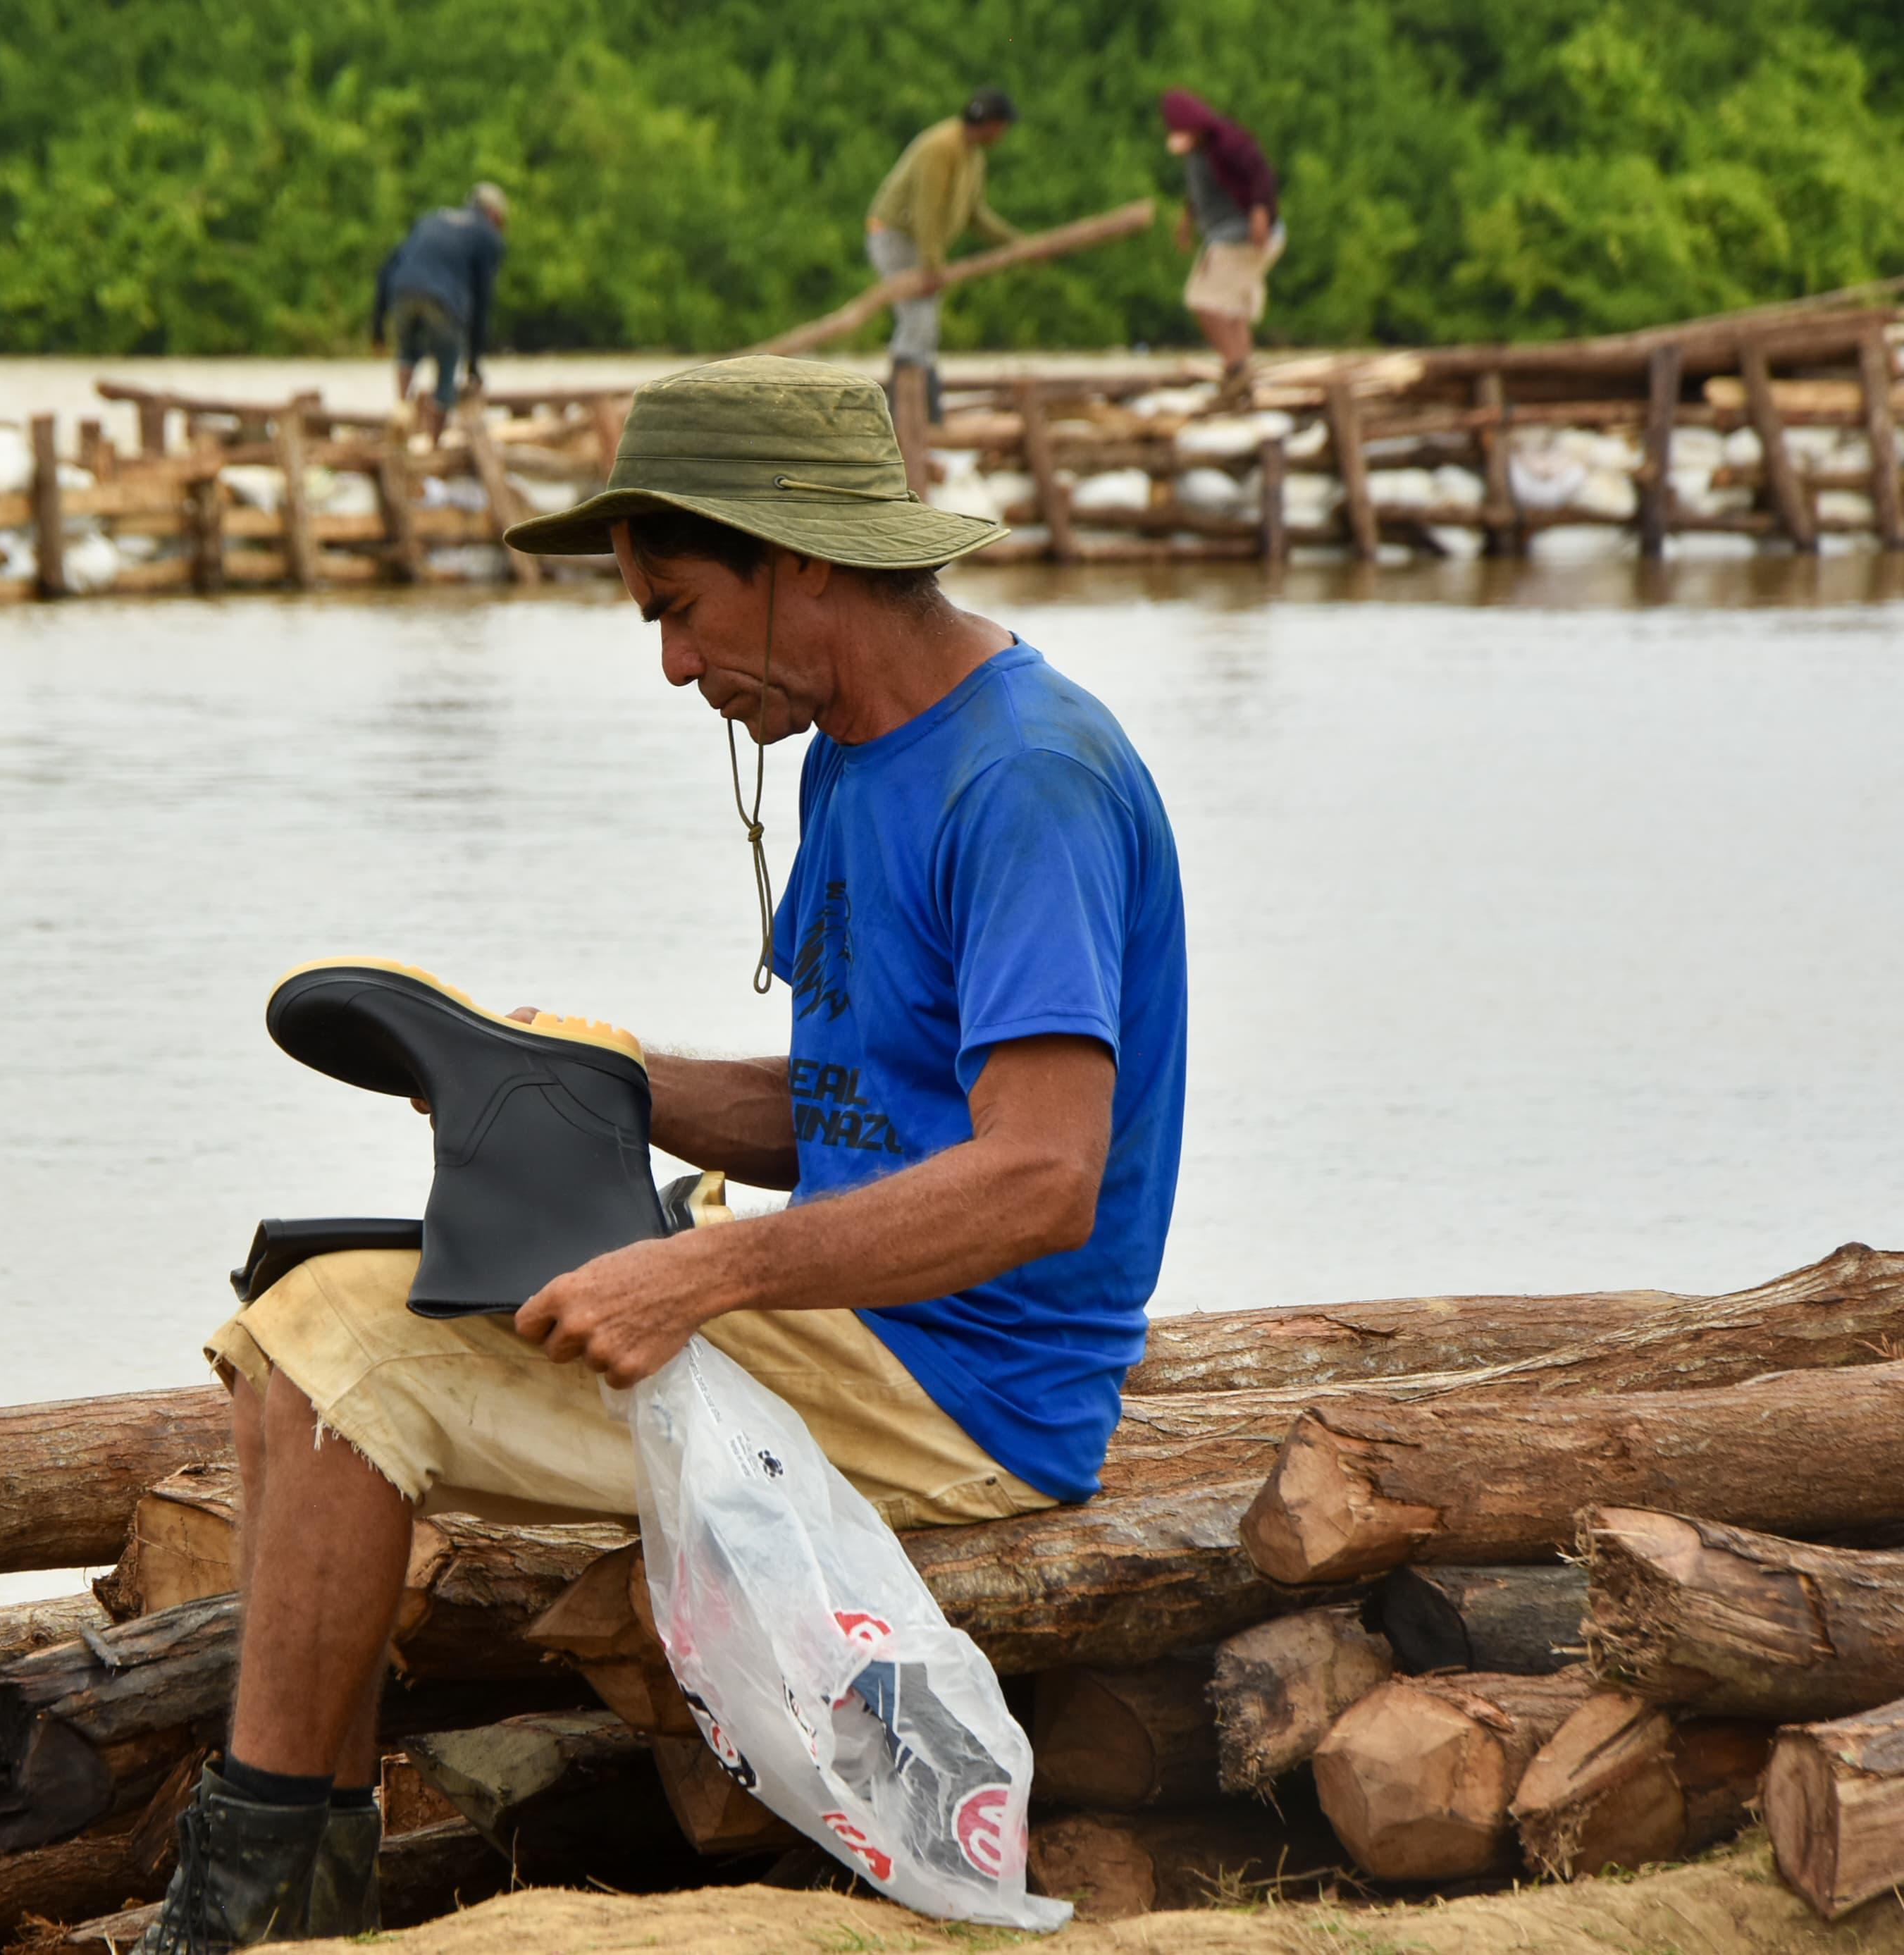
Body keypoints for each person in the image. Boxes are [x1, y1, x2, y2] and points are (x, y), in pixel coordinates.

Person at [139, 356, 1187, 1954]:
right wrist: (595, 1085)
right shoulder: (856, 747)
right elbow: (852, 1105)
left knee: (335, 1352)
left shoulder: (1024, 775)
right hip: (860, 1325)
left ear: (807, 558)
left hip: (970, 1387)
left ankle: (239, 1916)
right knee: (305, 1300)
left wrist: (699, 1270)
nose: (676, 662)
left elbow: (1042, 1175)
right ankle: (296, 1899)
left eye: (680, 609)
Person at [864, 87, 1022, 433]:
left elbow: (974, 213)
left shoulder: (972, 156)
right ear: (991, 124)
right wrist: (932, 264)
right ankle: (907, 414)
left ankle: (917, 412)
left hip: (918, 243)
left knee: (923, 326)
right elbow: (926, 210)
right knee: (918, 322)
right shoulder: (941, 147)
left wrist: (1014, 243)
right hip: (896, 237)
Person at [1161, 90, 1283, 390]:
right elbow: (1201, 190)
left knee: (1204, 301)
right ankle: (1244, 369)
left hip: (1243, 236)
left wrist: (1259, 211)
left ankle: (1235, 368)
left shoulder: (1228, 142)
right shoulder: (1198, 152)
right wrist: (1187, 219)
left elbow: (1260, 172)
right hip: (1227, 236)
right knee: (1232, 308)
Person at [371, 183, 507, 440]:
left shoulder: (431, 219)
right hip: (443, 301)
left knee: (407, 354)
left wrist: (377, 326)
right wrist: (474, 362)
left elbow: (386, 271)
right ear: (494, 215)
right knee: (447, 366)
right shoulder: (487, 236)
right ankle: (433, 445)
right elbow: (482, 300)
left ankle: (402, 419)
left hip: (401, 291)